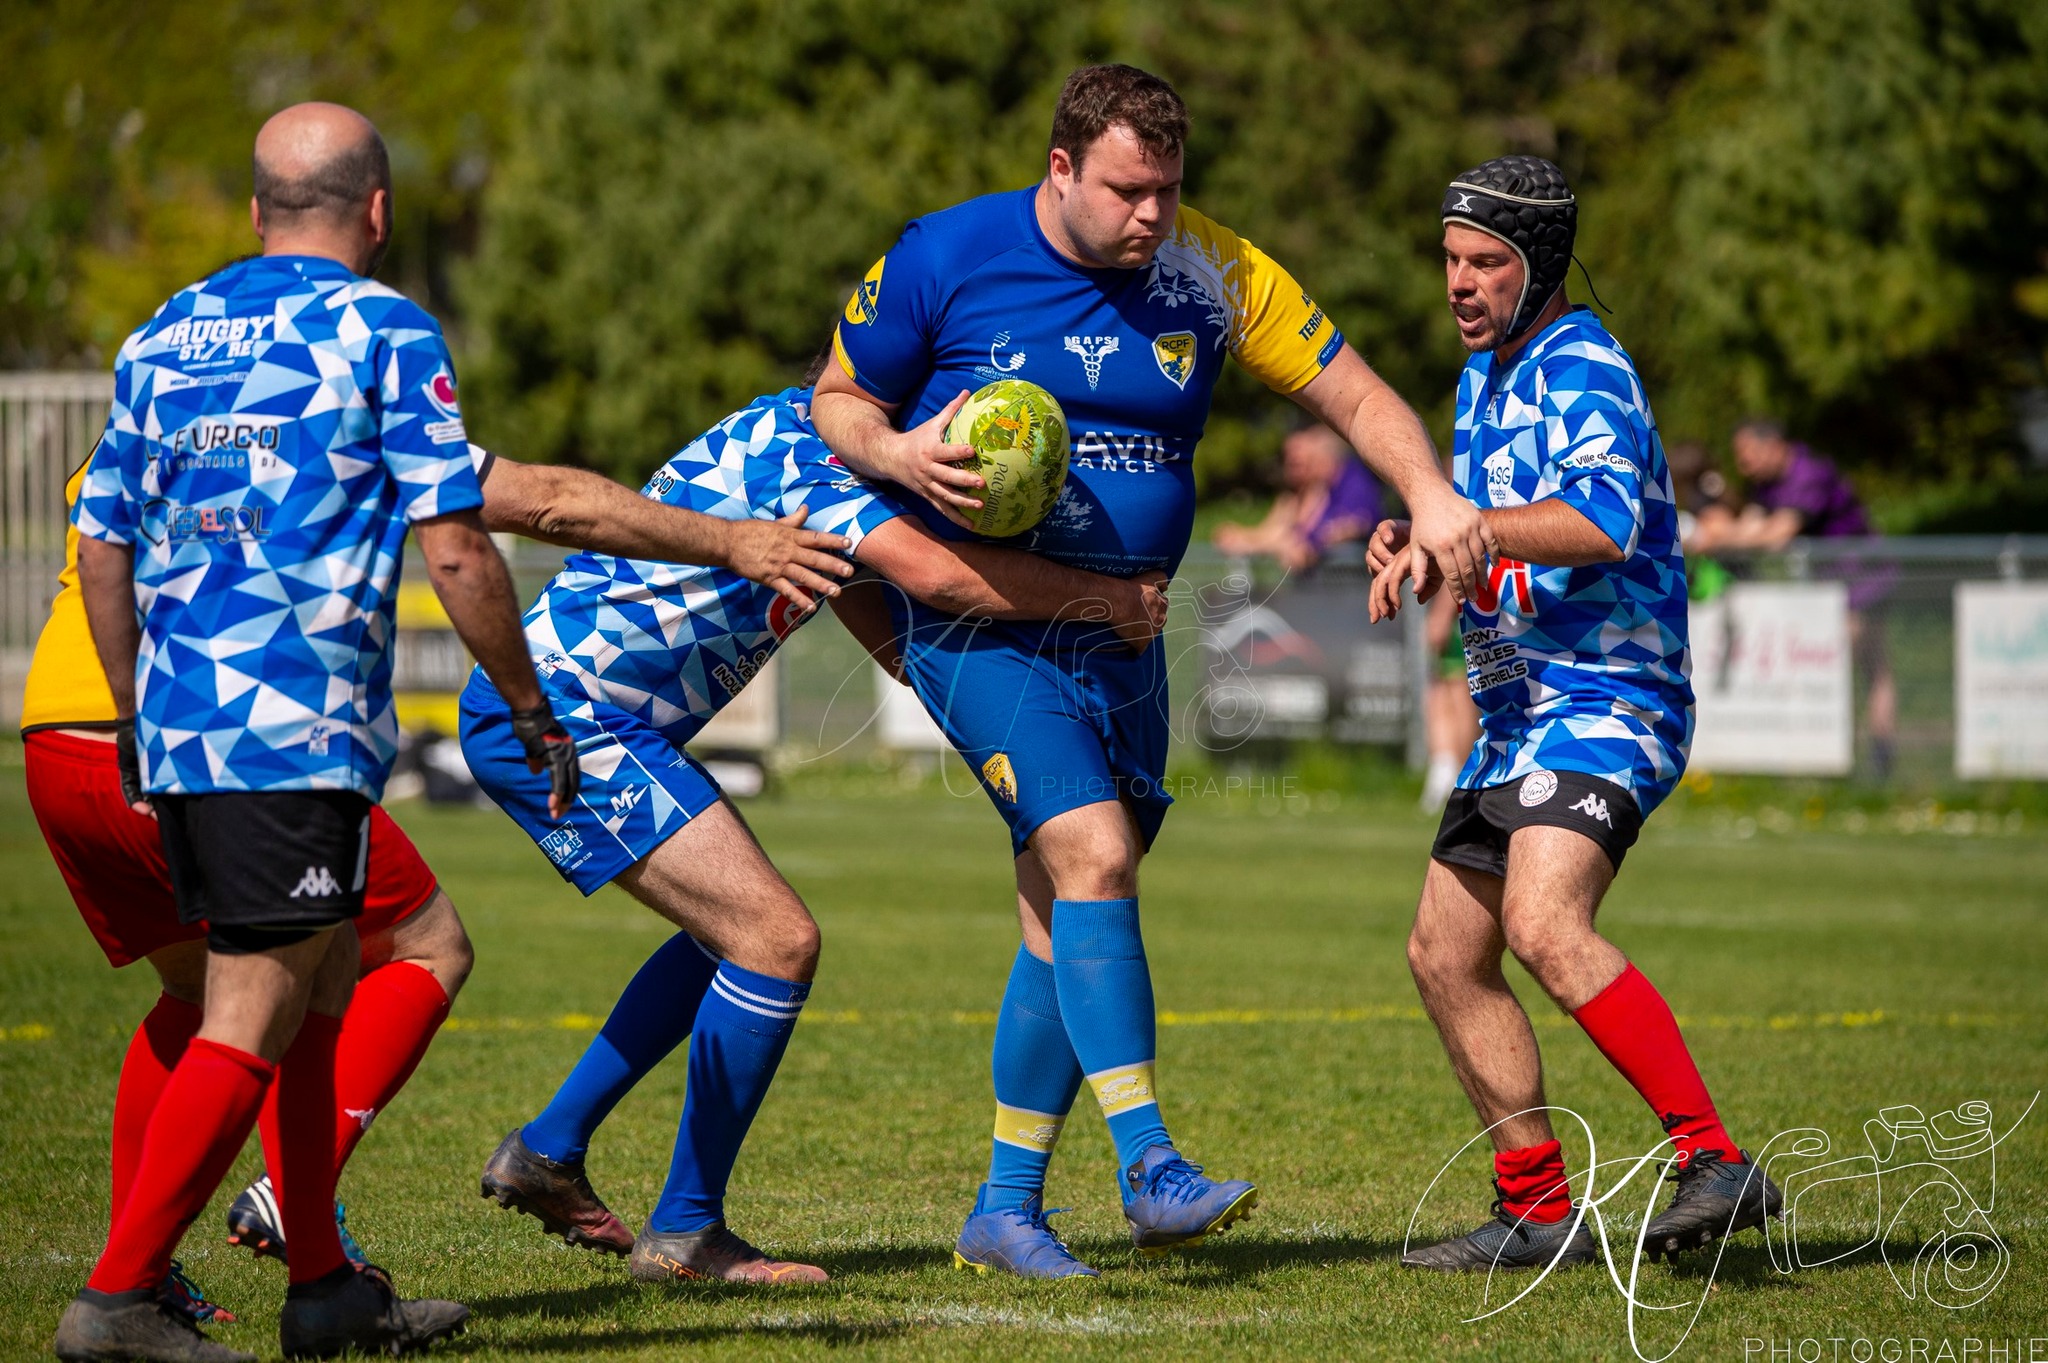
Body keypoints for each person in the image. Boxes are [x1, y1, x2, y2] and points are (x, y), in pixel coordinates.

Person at [811, 64, 1491, 1279]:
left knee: (1060, 915)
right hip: (983, 625)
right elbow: (835, 400)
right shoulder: (942, 255)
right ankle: (1148, 1165)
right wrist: (901, 451)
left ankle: (1003, 1208)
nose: (1150, 217)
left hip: (1127, 635)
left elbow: (1350, 389)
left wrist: (1429, 490)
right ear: (1060, 168)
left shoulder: (1207, 269)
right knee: (1094, 856)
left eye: (1168, 192)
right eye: (1127, 190)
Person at [25, 441, 851, 1323]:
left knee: (203, 988)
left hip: (68, 734)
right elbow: (532, 509)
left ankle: (193, 1281)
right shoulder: (345, 354)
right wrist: (722, 548)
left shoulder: (161, 366)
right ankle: (240, 1256)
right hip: (231, 730)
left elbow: (104, 547)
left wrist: (129, 714)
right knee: (415, 947)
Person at [50, 102, 580, 1363]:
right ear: (380, 211)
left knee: (329, 976)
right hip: (289, 732)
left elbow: (100, 546)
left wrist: (139, 714)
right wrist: (522, 697)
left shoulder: (163, 332)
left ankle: (326, 1284)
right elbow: (454, 542)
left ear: (253, 211)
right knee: (255, 1001)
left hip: (181, 727)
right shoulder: (388, 330)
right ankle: (116, 1302)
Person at [459, 375, 1167, 1285]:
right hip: (564, 717)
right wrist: (1110, 603)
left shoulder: (823, 449)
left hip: (602, 718)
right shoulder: (815, 449)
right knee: (775, 939)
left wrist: (991, 717)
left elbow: (865, 602)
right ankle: (685, 1233)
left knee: (728, 940)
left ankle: (548, 1151)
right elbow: (932, 573)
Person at [1368, 155, 1780, 1272]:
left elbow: (1597, 521)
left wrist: (1472, 529)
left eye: (1484, 262)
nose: (1456, 282)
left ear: (1538, 261)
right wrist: (1420, 542)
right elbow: (1484, 531)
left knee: (1542, 924)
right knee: (1443, 953)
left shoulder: (1582, 363)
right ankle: (1535, 1211)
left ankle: (1712, 1158)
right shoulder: (1479, 378)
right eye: (1448, 260)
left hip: (1608, 696)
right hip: (1515, 717)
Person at [1690, 419, 1897, 777]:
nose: (1743, 465)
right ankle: (1844, 761)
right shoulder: (1768, 484)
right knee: (1852, 669)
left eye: (1748, 455)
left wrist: (1715, 539)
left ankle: (1874, 760)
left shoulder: (1808, 474)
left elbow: (1776, 536)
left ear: (1772, 445)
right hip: (1831, 586)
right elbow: (1751, 525)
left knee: (1862, 667)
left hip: (1862, 579)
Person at [1212, 422, 1383, 571]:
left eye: (1304, 463)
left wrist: (1310, 545)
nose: (1295, 470)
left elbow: (1353, 524)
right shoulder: (1308, 494)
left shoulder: (1352, 483)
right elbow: (1275, 534)